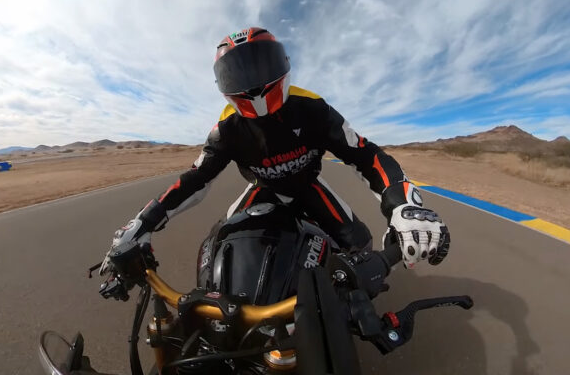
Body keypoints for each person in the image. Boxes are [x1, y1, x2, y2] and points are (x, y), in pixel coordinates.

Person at [99, 27, 450, 279]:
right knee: (219, 253)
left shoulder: (311, 107)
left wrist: (403, 206)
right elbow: (195, 179)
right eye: (236, 73)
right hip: (262, 190)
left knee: (360, 247)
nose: (251, 82)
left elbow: (365, 155)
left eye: (259, 66)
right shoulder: (226, 129)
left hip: (307, 187)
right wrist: (140, 224)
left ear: (282, 64)